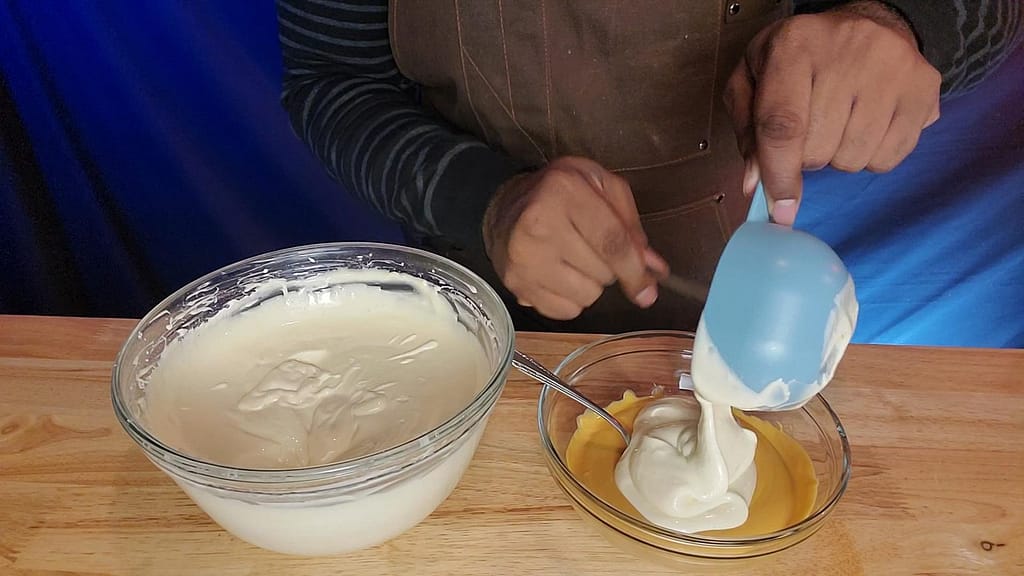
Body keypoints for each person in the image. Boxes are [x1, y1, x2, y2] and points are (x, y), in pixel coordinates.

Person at [275, 0, 1021, 333]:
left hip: (720, 304)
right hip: (469, 309)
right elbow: (333, 83)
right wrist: (486, 200)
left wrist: (905, 23)